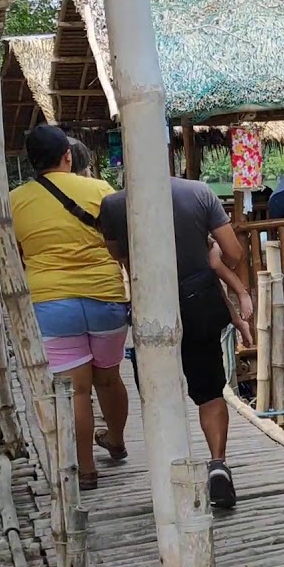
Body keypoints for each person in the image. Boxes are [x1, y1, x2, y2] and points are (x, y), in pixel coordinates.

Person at [99, 177, 245, 508]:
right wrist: (215, 253)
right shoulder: (199, 193)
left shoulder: (112, 205)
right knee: (209, 392)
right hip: (197, 304)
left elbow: (118, 255)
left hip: (150, 307)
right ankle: (218, 464)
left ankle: (169, 475)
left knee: (157, 395)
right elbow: (233, 254)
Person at [9, 125, 130, 492]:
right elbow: (121, 238)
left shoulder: (14, 201)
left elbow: (16, 253)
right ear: (68, 155)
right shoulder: (99, 190)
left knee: (77, 391)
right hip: (105, 295)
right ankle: (117, 440)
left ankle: (88, 470)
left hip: (51, 303)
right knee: (108, 377)